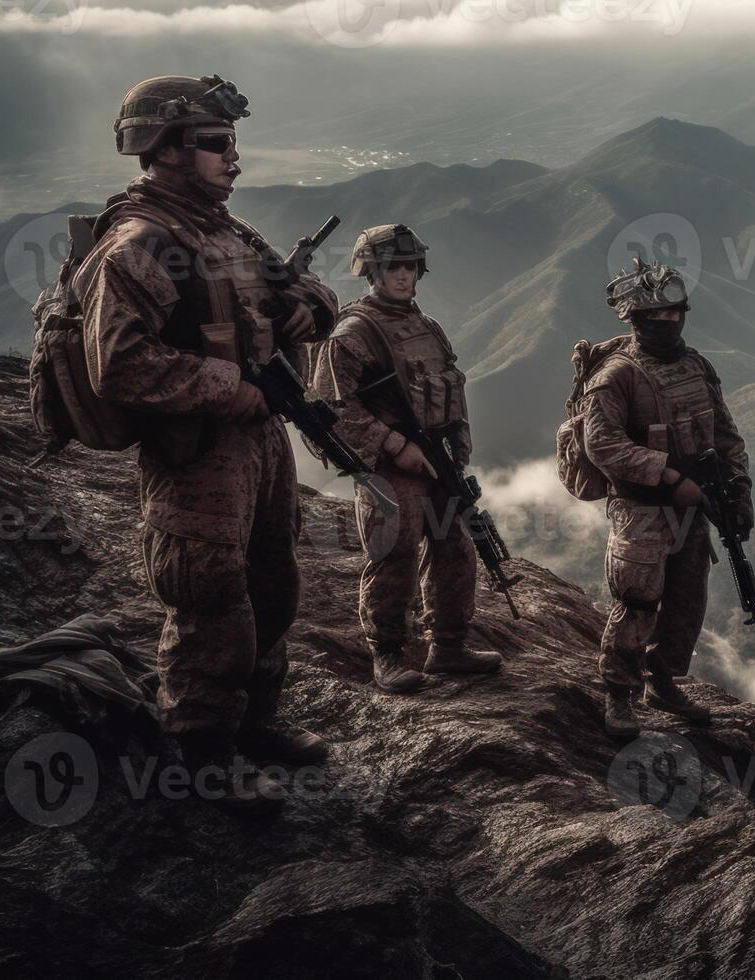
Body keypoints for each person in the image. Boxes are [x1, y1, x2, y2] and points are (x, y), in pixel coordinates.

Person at [80, 75, 341, 816]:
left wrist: (297, 307)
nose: (236, 158)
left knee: (273, 582)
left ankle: (255, 724)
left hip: (259, 440)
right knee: (208, 598)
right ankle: (202, 756)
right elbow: (119, 364)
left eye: (233, 143)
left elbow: (313, 303)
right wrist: (230, 389)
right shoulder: (141, 243)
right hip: (199, 453)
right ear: (164, 148)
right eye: (218, 143)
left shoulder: (225, 230)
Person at [312, 224, 502, 695]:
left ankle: (449, 645)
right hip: (390, 467)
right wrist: (396, 446)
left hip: (438, 458)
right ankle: (389, 653)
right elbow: (332, 409)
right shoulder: (354, 333)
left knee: (455, 547)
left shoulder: (426, 327)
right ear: (371, 272)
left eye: (409, 266)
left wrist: (458, 445)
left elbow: (450, 389)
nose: (402, 275)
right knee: (392, 552)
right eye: (391, 267)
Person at [577, 259, 753, 740]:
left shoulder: (696, 366)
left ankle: (664, 682)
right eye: (655, 316)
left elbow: (725, 432)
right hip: (641, 510)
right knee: (637, 601)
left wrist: (739, 491)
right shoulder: (616, 376)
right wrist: (670, 477)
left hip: (694, 506)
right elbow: (603, 445)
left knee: (686, 601)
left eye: (675, 313)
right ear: (635, 320)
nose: (668, 322)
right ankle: (619, 692)